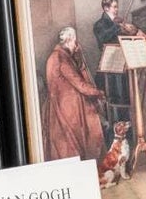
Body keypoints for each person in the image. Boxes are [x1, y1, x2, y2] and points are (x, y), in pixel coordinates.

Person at [42, 27, 104, 162]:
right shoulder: (61, 58)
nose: (76, 44)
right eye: (75, 41)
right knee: (91, 120)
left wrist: (77, 57)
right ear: (69, 40)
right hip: (66, 109)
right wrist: (98, 92)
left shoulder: (57, 55)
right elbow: (80, 85)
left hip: (58, 105)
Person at [91, 0, 138, 139]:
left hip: (121, 66)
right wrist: (117, 26)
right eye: (114, 7)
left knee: (125, 98)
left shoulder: (118, 23)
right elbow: (104, 37)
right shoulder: (99, 24)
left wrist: (130, 29)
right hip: (109, 70)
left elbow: (129, 34)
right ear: (106, 8)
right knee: (114, 100)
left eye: (117, 6)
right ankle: (115, 134)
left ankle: (127, 133)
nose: (117, 9)